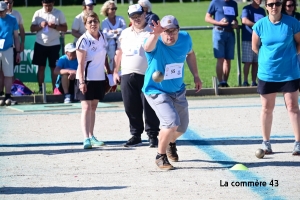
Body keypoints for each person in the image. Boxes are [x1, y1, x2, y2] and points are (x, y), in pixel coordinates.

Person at [142, 15, 202, 170]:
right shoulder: (156, 41)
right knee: (170, 122)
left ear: (178, 30)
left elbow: (190, 53)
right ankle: (160, 156)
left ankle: (170, 142)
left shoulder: (185, 39)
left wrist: (196, 75)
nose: (169, 35)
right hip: (156, 90)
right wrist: (155, 34)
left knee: (181, 128)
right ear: (161, 32)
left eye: (173, 31)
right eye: (166, 31)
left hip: (178, 90)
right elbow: (147, 48)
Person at [252, 0, 300, 155]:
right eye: (271, 4)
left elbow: (299, 43)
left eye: (277, 3)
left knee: (293, 107)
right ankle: (266, 143)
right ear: (266, 6)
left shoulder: (292, 23)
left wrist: (290, 57)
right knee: (267, 108)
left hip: (289, 72)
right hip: (268, 73)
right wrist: (267, 60)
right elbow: (255, 47)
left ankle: (298, 143)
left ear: (281, 5)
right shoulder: (259, 25)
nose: (274, 7)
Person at [113, 4, 160, 148]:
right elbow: (119, 52)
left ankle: (152, 135)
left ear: (144, 14)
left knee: (149, 106)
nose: (137, 18)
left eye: (139, 15)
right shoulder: (125, 33)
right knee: (130, 106)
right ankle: (136, 135)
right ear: (129, 18)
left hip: (146, 74)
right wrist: (115, 71)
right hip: (127, 73)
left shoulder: (151, 32)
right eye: (133, 16)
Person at [75, 10, 109, 149]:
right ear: (85, 25)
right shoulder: (84, 40)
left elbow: (104, 57)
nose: (93, 24)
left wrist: (109, 71)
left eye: (95, 21)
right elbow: (81, 64)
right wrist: (82, 82)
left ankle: (92, 135)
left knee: (93, 108)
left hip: (99, 77)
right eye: (90, 22)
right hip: (86, 78)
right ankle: (86, 138)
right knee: (86, 107)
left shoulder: (102, 36)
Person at [30, 0, 68, 94]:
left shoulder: (59, 13)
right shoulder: (38, 13)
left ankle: (55, 89)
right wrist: (40, 26)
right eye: (46, 5)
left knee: (54, 68)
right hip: (40, 43)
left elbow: (65, 28)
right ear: (42, 4)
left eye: (50, 5)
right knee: (41, 67)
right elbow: (31, 29)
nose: (48, 7)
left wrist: (55, 26)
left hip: (54, 44)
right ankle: (41, 89)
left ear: (53, 3)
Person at [205, 0, 238, 87]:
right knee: (220, 58)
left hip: (230, 33)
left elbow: (235, 19)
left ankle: (225, 82)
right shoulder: (215, 2)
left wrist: (235, 23)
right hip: (219, 32)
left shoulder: (234, 4)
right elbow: (207, 18)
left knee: (228, 59)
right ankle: (220, 82)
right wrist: (219, 23)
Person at [0, 0, 25, 97]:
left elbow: (15, 36)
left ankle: (8, 94)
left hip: (8, 49)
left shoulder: (12, 19)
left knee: (8, 73)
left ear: (6, 9)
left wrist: (18, 52)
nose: (0, 13)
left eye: (2, 11)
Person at [241, 0, 266, 87]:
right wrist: (257, 25)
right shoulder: (247, 9)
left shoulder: (262, 10)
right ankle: (245, 81)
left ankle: (254, 81)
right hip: (248, 38)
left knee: (256, 62)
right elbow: (244, 20)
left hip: (260, 39)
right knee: (248, 61)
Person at [100, 0, 126, 73]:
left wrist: (112, 31)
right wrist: (117, 32)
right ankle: (112, 80)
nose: (114, 10)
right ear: (107, 10)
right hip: (110, 46)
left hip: (121, 44)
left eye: (115, 8)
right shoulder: (104, 22)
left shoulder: (120, 18)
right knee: (112, 64)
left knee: (124, 62)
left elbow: (124, 30)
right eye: (112, 9)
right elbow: (105, 34)